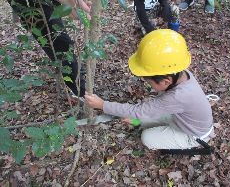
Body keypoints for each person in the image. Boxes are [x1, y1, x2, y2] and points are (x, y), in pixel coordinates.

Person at [85, 29, 214, 152]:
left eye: (149, 81)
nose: (147, 83)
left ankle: (188, 142)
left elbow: (138, 111)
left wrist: (102, 105)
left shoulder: (177, 97)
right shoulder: (181, 73)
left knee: (147, 137)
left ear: (166, 81)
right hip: (181, 118)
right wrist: (136, 117)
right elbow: (152, 109)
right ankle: (138, 122)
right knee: (142, 119)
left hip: (192, 133)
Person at [6, 0, 91, 97]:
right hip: (30, 4)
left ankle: (76, 74)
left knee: (59, 40)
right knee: (59, 43)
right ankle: (81, 92)